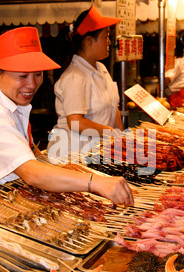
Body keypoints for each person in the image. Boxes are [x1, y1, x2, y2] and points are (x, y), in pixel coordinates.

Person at [0, 27, 134, 207]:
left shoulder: (9, 99)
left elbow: (32, 154)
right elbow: (31, 173)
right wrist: (95, 182)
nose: (32, 84)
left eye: (37, 74)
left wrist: (73, 173)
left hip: (1, 196)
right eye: (23, 76)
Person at [47, 6, 123, 161]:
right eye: (105, 36)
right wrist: (111, 132)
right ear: (89, 40)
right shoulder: (75, 76)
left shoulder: (101, 69)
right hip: (73, 155)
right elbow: (76, 122)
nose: (109, 42)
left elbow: (113, 107)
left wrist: (120, 139)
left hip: (98, 152)